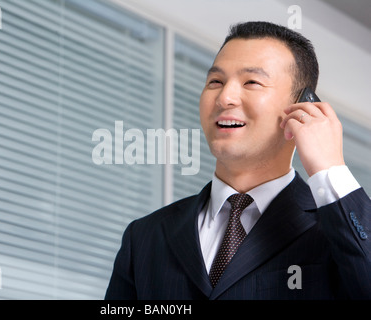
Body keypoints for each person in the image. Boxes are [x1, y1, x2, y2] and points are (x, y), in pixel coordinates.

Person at [105, 21, 371, 300]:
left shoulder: (334, 228)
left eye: (252, 82)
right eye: (215, 82)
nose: (225, 97)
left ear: (303, 107)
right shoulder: (145, 236)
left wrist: (329, 168)